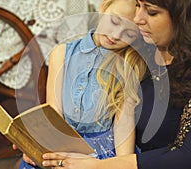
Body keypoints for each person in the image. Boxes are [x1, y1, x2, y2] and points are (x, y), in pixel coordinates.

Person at [41, 0, 191, 169]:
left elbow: (190, 156)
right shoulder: (139, 46)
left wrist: (96, 165)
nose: (137, 19)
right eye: (138, 5)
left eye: (152, 12)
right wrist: (45, 147)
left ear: (185, 17)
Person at [16, 0, 146, 168]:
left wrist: (121, 163)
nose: (115, 35)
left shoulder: (127, 67)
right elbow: (54, 112)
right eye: (114, 21)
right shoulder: (61, 53)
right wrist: (43, 147)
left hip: (102, 152)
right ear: (103, 7)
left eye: (129, 33)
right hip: (62, 140)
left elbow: (124, 125)